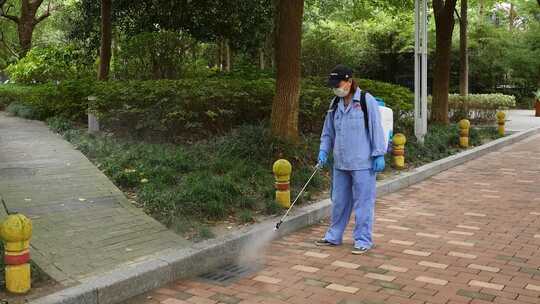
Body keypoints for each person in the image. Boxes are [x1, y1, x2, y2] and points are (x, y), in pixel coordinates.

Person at [315, 64, 387, 255]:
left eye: (338, 83)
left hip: (363, 163)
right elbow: (328, 133)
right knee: (339, 201)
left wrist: (379, 154)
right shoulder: (334, 104)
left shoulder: (365, 100)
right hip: (341, 163)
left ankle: (363, 239)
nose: (335, 88)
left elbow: (376, 129)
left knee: (363, 203)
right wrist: (323, 151)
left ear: (348, 81)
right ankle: (333, 235)